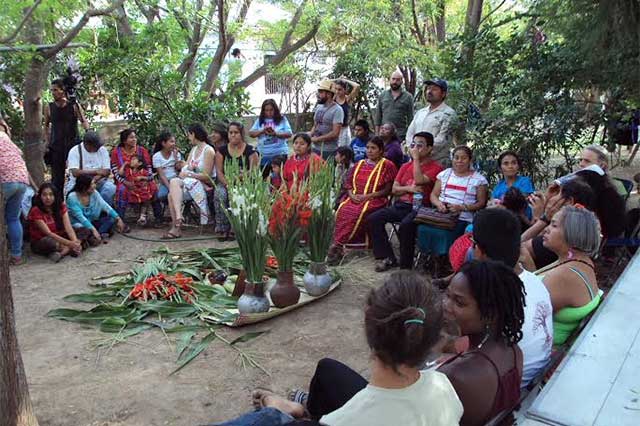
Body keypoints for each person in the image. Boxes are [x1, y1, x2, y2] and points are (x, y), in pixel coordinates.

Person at [215, 271, 463, 426]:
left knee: (268, 419)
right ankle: (293, 408)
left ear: (367, 322)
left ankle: (282, 409)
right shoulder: (443, 386)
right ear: (432, 339)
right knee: (328, 368)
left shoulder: (341, 420)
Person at [471, 209, 552, 388]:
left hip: (505, 390)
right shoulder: (533, 279)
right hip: (533, 378)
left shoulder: (487, 293)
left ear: (479, 251)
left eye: (473, 244)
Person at [438, 260, 526, 426]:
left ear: (490, 314)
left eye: (459, 302)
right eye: (447, 295)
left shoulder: (456, 376)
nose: (446, 305)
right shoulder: (513, 350)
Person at [368, 132, 444, 271]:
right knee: (374, 218)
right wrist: (409, 188)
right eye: (413, 144)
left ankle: (405, 268)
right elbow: (394, 189)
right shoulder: (404, 167)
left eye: (420, 145)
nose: (415, 148)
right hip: (401, 205)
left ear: (429, 149)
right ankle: (387, 257)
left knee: (406, 226)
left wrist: (415, 159)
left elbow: (420, 180)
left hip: (422, 208)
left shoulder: (436, 168)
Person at [417, 146, 488, 276]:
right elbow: (433, 195)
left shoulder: (479, 180)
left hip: (463, 217)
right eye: (456, 158)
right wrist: (439, 204)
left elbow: (481, 203)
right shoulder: (445, 174)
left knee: (445, 233)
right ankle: (427, 258)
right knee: (423, 228)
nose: (459, 161)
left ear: (470, 160)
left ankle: (442, 263)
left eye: (463, 158)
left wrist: (462, 207)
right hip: (442, 214)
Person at [327, 138, 397, 264]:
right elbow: (348, 184)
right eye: (368, 147)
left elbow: (388, 190)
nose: (369, 151)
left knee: (357, 213)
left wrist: (368, 196)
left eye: (373, 148)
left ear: (381, 150)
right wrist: (351, 195)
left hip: (376, 199)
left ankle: (339, 245)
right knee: (342, 210)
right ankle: (340, 245)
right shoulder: (360, 164)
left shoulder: (387, 165)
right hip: (355, 197)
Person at [540, 205, 602, 345]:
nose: (546, 229)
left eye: (554, 225)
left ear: (573, 233)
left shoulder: (563, 276)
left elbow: (522, 317)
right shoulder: (580, 262)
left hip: (538, 356)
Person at [521, 178, 596, 271]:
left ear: (569, 201)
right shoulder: (583, 231)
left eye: (558, 193)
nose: (553, 197)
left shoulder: (558, 237)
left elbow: (517, 248)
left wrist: (543, 219)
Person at [164, 124, 216, 239]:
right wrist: (186, 171)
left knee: (170, 195)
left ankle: (176, 227)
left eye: (189, 134)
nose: (188, 137)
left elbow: (207, 176)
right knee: (174, 183)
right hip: (190, 183)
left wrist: (188, 173)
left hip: (204, 185)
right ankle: (178, 217)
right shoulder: (194, 149)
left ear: (193, 134)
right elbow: (185, 167)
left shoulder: (208, 151)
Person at [43, 78, 89, 193]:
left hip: (73, 145)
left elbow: (83, 121)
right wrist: (47, 143)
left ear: (63, 90)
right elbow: (46, 125)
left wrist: (89, 134)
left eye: (55, 90)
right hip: (56, 146)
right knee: (56, 179)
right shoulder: (49, 107)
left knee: (76, 175)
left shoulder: (73, 106)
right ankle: (57, 205)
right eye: (52, 90)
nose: (53, 93)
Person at [214, 122, 259, 238]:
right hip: (225, 182)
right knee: (220, 194)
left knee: (239, 194)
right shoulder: (221, 150)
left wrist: (239, 178)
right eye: (231, 133)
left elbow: (253, 171)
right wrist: (227, 183)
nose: (233, 135)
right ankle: (222, 228)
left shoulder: (250, 150)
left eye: (236, 133)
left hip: (245, 183)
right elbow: (219, 171)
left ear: (242, 134)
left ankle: (237, 228)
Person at [110, 128, 161, 223]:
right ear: (124, 140)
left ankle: (158, 218)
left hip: (142, 179)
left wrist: (147, 178)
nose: (134, 140)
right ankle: (120, 221)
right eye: (131, 138)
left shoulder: (142, 150)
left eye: (135, 137)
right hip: (124, 180)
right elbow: (115, 172)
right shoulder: (116, 153)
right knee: (122, 190)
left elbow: (148, 167)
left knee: (153, 187)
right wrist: (126, 182)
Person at [406, 79, 458, 165]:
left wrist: (421, 152)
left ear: (443, 94)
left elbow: (442, 141)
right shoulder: (420, 113)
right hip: (415, 162)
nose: (429, 91)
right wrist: (412, 150)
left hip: (437, 163)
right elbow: (410, 134)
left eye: (434, 89)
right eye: (428, 88)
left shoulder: (449, 114)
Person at [28, 182, 83, 262]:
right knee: (50, 242)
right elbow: (48, 233)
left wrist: (74, 242)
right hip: (42, 240)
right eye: (44, 195)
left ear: (55, 196)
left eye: (51, 195)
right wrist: (70, 243)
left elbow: (68, 227)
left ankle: (64, 252)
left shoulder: (60, 206)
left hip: (60, 235)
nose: (48, 198)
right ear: (40, 196)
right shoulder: (35, 211)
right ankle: (69, 249)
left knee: (84, 230)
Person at [67, 175, 126, 245]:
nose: (94, 186)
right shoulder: (72, 197)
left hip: (93, 221)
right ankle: (95, 235)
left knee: (111, 218)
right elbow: (80, 217)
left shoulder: (94, 193)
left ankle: (98, 234)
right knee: (82, 229)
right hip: (79, 223)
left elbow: (104, 205)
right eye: (92, 184)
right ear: (84, 187)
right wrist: (93, 229)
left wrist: (118, 218)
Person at [0, 122, 29, 265]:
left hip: (5, 181)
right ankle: (16, 255)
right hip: (21, 179)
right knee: (13, 218)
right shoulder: (6, 139)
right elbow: (20, 154)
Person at [65, 131, 115, 205]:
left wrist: (93, 181)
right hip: (79, 184)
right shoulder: (75, 151)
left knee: (110, 188)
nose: (99, 147)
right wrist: (96, 171)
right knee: (74, 197)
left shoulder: (102, 150)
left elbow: (106, 171)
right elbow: (75, 172)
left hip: (99, 181)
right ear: (87, 144)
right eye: (96, 146)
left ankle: (103, 212)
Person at [249, 99, 292, 173]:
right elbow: (251, 133)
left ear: (275, 109)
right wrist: (262, 131)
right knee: (264, 178)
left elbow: (289, 134)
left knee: (279, 177)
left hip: (279, 154)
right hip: (263, 155)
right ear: (263, 111)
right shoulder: (259, 121)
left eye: (271, 110)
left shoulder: (282, 119)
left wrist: (276, 133)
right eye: (266, 110)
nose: (269, 112)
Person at [374, 71, 414, 141]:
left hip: (401, 135)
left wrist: (410, 136)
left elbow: (411, 118)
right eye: (393, 79)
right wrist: (377, 135)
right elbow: (378, 117)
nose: (395, 82)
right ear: (390, 80)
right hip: (384, 135)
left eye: (398, 80)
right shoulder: (383, 95)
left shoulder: (408, 97)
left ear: (402, 81)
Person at [119, 154, 157, 226]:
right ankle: (140, 215)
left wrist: (142, 177)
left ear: (140, 163)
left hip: (142, 189)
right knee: (130, 196)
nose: (131, 161)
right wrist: (124, 165)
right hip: (132, 189)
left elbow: (151, 177)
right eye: (131, 159)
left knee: (146, 196)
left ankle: (143, 216)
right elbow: (120, 174)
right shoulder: (128, 171)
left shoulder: (143, 171)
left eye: (134, 159)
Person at [309, 80, 343, 159]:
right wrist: (309, 137)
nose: (318, 94)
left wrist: (317, 139)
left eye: (321, 92)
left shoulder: (337, 110)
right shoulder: (318, 107)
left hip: (329, 150)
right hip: (315, 148)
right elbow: (315, 125)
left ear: (329, 94)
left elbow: (335, 133)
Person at [152, 131, 183, 202]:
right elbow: (161, 175)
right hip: (165, 181)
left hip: (177, 179)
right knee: (162, 195)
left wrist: (176, 158)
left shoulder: (176, 154)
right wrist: (170, 188)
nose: (174, 144)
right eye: (171, 142)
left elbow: (179, 169)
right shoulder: (157, 156)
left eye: (174, 142)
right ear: (163, 143)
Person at [333, 78, 360, 147]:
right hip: (334, 129)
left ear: (345, 90)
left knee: (346, 149)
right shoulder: (333, 99)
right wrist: (337, 79)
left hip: (344, 129)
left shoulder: (347, 99)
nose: (337, 91)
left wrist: (346, 80)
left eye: (340, 89)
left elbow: (357, 86)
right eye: (336, 89)